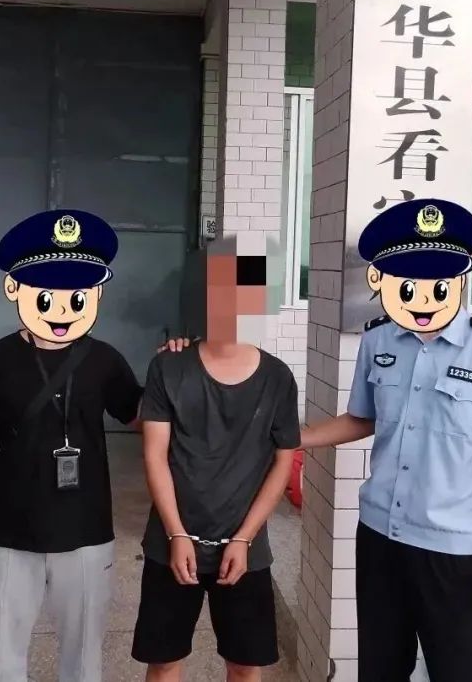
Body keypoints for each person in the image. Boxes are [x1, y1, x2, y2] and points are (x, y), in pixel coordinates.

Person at [300, 198, 472, 682]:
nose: (423, 295)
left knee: (456, 671)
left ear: (461, 276)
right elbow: (362, 418)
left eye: (437, 280)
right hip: (380, 538)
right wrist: (296, 438)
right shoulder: (378, 340)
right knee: (380, 669)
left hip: (454, 551)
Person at [0, 208, 188, 682]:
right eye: (48, 295)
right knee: (3, 660)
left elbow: (141, 415)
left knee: (83, 661)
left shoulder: (104, 360)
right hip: (8, 529)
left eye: (77, 295)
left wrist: (171, 370)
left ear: (95, 295)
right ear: (15, 289)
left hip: (86, 530)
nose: (62, 309)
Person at [132, 235, 301, 682]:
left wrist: (244, 538)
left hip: (245, 549)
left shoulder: (277, 378)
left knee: (245, 665)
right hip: (172, 542)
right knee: (164, 661)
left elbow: (282, 463)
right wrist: (176, 534)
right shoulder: (168, 367)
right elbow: (155, 455)